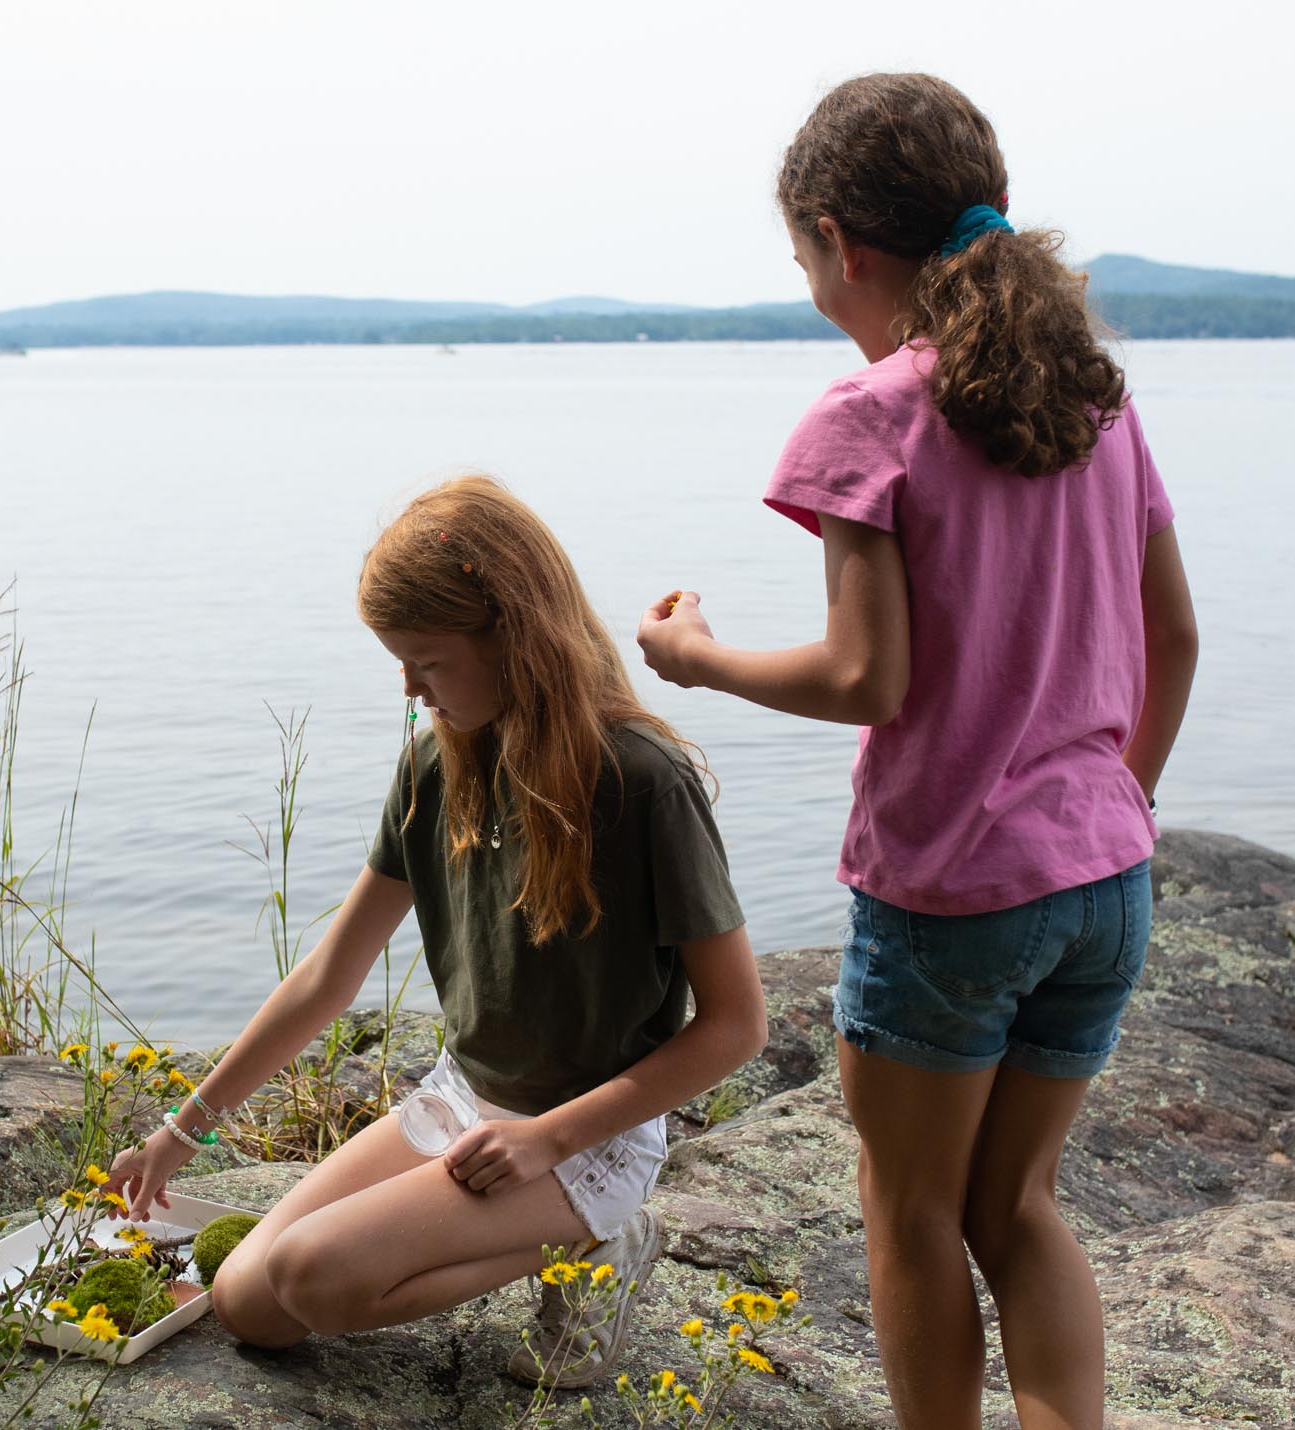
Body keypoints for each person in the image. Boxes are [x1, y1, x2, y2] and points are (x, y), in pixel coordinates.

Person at [635, 72, 1200, 1430]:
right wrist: (1116, 803)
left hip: (952, 895)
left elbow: (864, 674)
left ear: (844, 241)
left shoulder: (869, 417)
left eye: (805, 265)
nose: (817, 295)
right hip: (1104, 883)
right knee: (1017, 1206)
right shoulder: (1095, 401)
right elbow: (1172, 636)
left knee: (911, 1211)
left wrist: (697, 655)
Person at [109, 475, 766, 1388]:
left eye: (427, 659)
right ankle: (550, 1235)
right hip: (467, 1100)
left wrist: (549, 1140)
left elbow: (737, 1026)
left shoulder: (641, 780)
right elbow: (326, 979)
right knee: (250, 1302)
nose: (412, 689)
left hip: (586, 1136)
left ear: (515, 634)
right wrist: (183, 1131)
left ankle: (602, 1242)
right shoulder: (435, 762)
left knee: (315, 1277)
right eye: (399, 662)